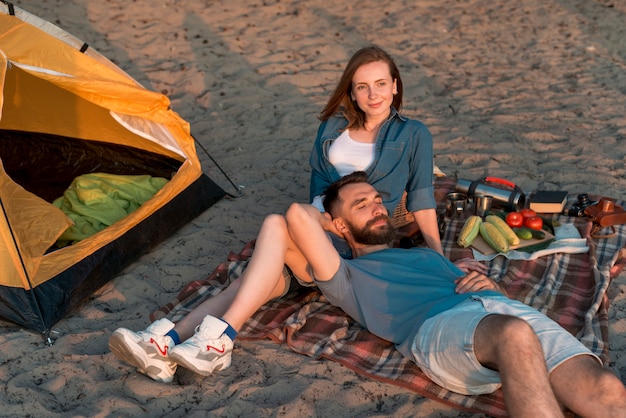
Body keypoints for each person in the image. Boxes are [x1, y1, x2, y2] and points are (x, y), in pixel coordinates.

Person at [110, 172, 625, 418]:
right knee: (514, 338)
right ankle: (204, 338)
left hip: (494, 307)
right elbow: (294, 216)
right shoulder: (346, 275)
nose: (377, 207)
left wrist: (485, 283)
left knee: (608, 395)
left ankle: (183, 337)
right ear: (337, 224)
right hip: (440, 329)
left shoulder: (425, 251)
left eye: (377, 200)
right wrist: (326, 216)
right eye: (361, 205)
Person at [309, 45, 443, 254]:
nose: (373, 95)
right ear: (352, 93)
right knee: (279, 236)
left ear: (395, 86)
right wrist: (321, 219)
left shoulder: (413, 133)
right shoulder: (331, 125)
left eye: (381, 84)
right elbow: (318, 183)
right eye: (363, 86)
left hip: (363, 233)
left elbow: (421, 198)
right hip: (322, 220)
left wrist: (439, 255)